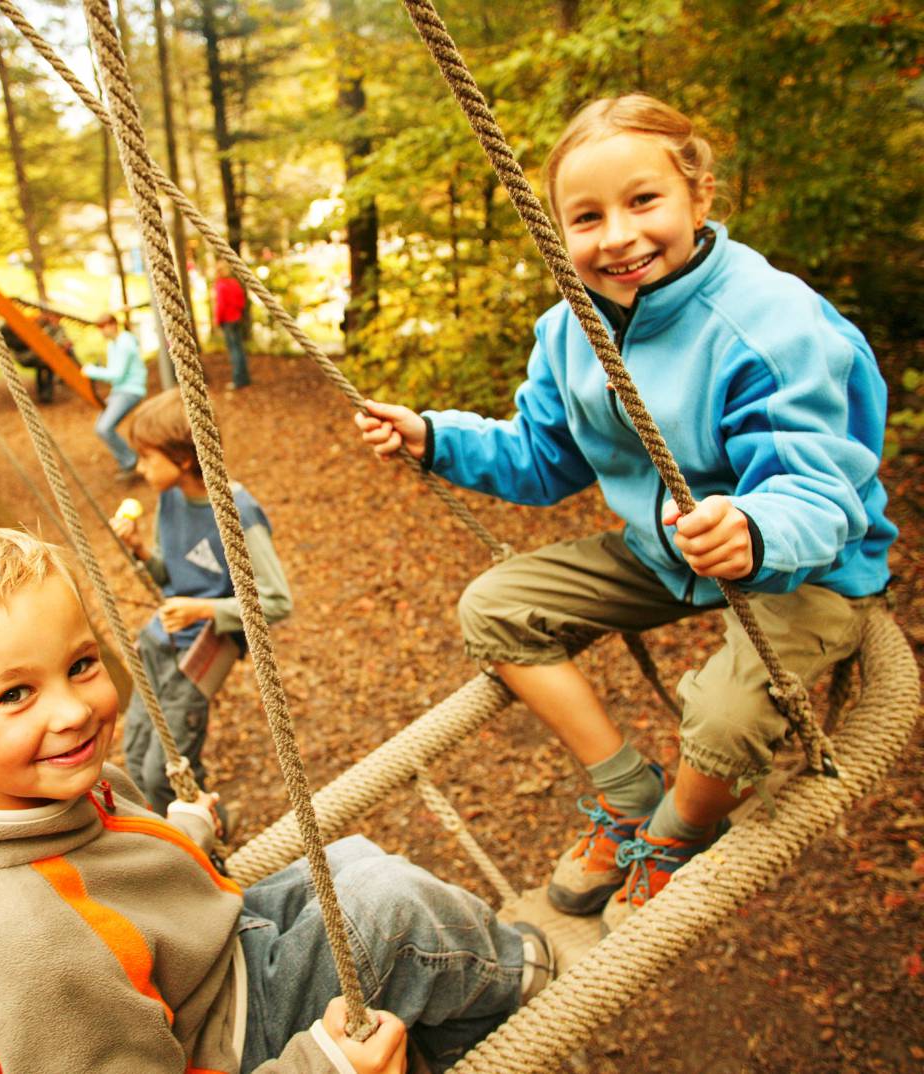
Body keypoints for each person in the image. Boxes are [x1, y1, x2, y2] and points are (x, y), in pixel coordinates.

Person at [355, 93, 896, 932]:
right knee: (496, 606)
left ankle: (678, 835)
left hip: (804, 561)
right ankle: (630, 796)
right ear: (558, 232)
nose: (617, 236)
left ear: (699, 195)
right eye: (586, 216)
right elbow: (541, 458)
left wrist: (753, 530)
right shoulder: (572, 330)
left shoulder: (769, 323)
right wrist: (432, 437)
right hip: (666, 553)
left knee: (724, 711)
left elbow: (816, 485)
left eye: (643, 201)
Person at [0, 525, 556, 1074]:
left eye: (80, 666)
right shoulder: (31, 953)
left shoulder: (22, 790)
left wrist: (174, 830)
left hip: (207, 961)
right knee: (393, 912)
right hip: (224, 1042)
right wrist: (321, 1064)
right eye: (15, 694)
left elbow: (104, 874)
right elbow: (78, 930)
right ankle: (516, 984)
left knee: (350, 859)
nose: (73, 711)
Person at [110, 387, 291, 819]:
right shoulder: (170, 497)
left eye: (148, 457)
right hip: (159, 644)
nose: (140, 467)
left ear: (184, 458)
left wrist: (204, 610)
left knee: (162, 775)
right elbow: (174, 575)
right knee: (135, 763)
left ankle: (211, 828)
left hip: (197, 658)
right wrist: (138, 551)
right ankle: (176, 835)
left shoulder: (237, 512)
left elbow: (278, 601)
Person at [82, 312, 147, 476]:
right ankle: (128, 460)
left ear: (113, 325)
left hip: (130, 391)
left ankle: (130, 461)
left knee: (105, 428)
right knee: (100, 427)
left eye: (104, 327)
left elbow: (117, 374)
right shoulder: (113, 344)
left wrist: (91, 371)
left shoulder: (125, 343)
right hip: (119, 391)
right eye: (100, 328)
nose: (102, 332)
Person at [214, 264, 250, 390]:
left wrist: (218, 320)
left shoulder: (221, 285)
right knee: (239, 349)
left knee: (234, 350)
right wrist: (238, 314)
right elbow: (241, 301)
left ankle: (238, 379)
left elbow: (221, 305)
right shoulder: (234, 283)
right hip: (236, 319)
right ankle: (245, 378)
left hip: (228, 321)